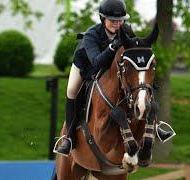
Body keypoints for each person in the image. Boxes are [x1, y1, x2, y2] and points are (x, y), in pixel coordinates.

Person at [54, 0, 173, 157]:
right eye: (113, 20)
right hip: (86, 66)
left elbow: (133, 54)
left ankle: (155, 126)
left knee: (140, 89)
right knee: (72, 90)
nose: (117, 24)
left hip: (113, 71)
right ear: (103, 19)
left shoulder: (126, 31)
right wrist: (112, 47)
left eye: (120, 20)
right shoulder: (91, 35)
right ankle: (68, 137)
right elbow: (96, 63)